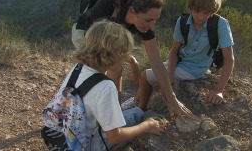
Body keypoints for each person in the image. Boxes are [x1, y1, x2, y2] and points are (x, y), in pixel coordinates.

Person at [72, 0, 196, 121]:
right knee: (98, 73)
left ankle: (115, 112)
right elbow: (100, 43)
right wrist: (128, 58)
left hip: (112, 37)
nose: (152, 26)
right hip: (86, 33)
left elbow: (157, 63)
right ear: (132, 11)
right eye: (149, 20)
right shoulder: (107, 6)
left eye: (155, 20)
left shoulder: (143, 24)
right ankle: (83, 113)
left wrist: (171, 98)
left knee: (116, 68)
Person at [43, 20, 166, 150]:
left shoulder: (78, 68)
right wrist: (146, 126)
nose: (125, 59)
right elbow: (115, 136)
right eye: (124, 54)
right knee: (137, 114)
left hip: (63, 135)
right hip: (84, 145)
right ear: (114, 55)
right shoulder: (105, 87)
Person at [136, 0, 235, 110]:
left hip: (194, 69)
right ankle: (137, 103)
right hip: (180, 61)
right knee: (146, 77)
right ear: (191, 7)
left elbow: (229, 59)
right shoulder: (182, 21)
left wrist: (218, 90)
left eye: (206, 12)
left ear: (213, 10)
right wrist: (170, 74)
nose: (200, 16)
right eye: (197, 11)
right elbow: (174, 51)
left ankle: (139, 109)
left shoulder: (220, 24)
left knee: (145, 76)